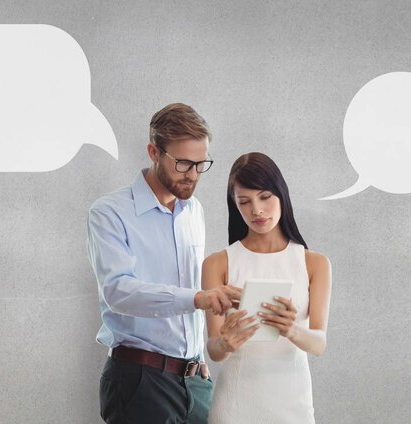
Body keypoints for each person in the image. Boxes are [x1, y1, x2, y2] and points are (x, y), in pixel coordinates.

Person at [86, 103, 242, 424]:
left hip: (195, 381)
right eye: (183, 163)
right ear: (153, 152)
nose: (193, 175)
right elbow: (118, 292)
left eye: (201, 164)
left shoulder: (193, 211)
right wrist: (197, 299)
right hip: (141, 382)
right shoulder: (110, 213)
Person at [203, 152, 332, 423]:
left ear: (281, 194)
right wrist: (225, 342)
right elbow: (214, 350)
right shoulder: (218, 263)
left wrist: (291, 329)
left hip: (293, 406)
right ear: (234, 205)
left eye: (265, 197)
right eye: (244, 202)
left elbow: (319, 343)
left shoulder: (315, 264)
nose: (257, 210)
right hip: (235, 405)